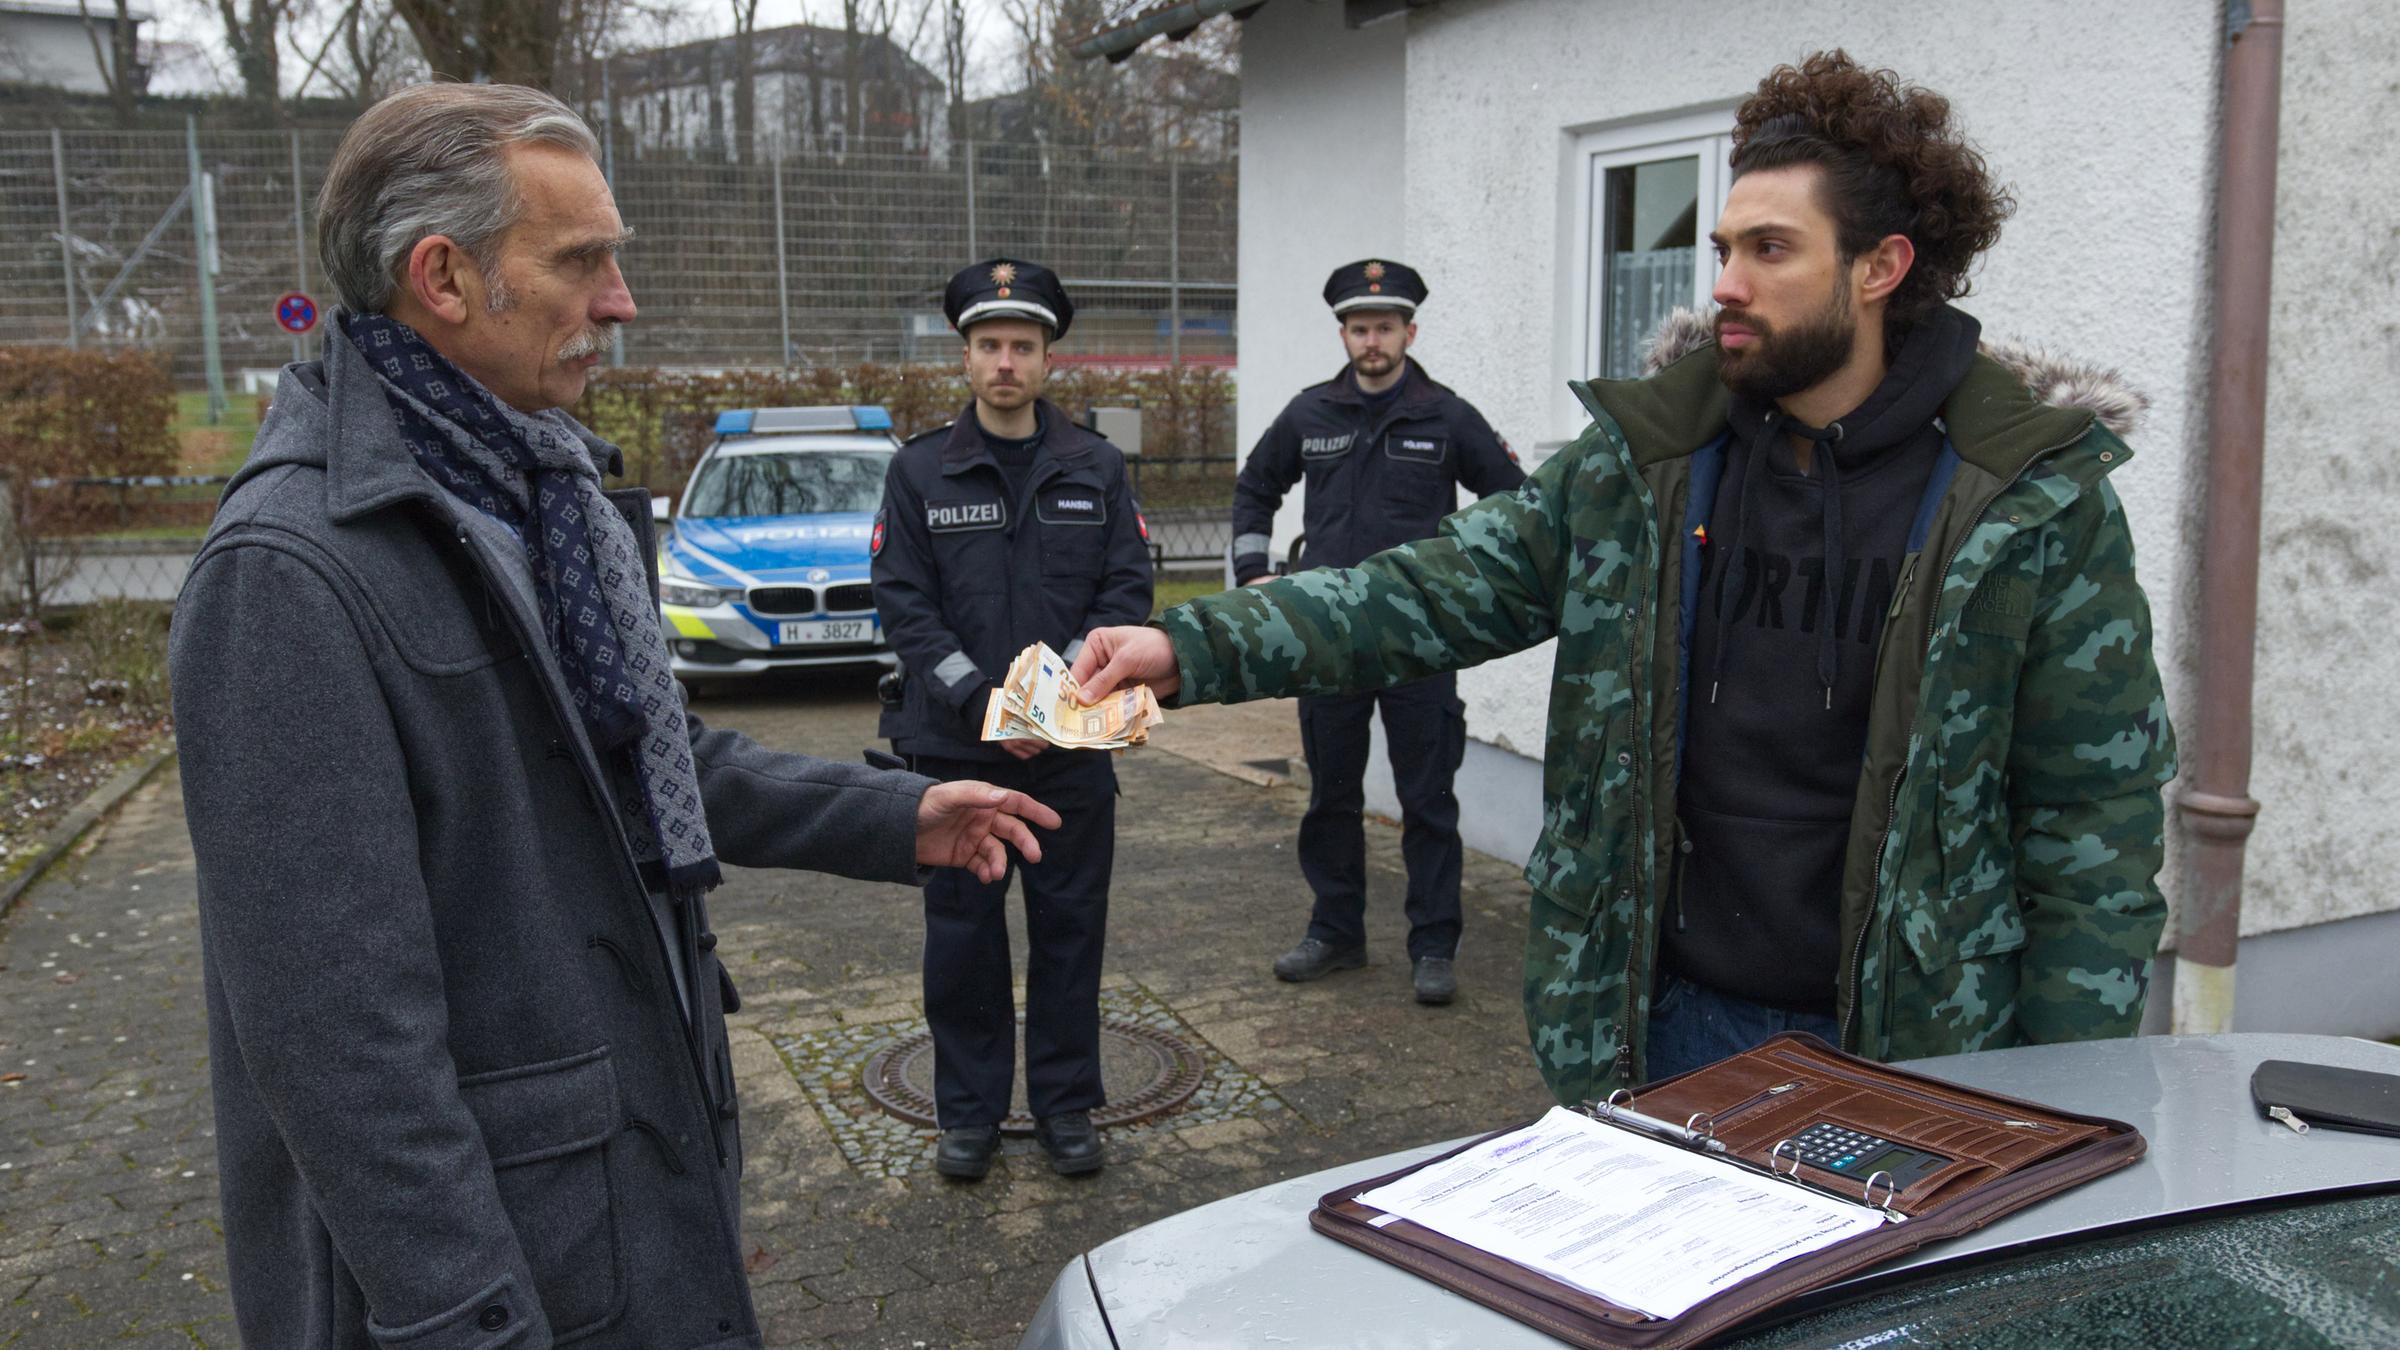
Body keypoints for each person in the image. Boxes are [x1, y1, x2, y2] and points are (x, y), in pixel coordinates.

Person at [1073, 52, 2176, 1105]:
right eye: (1724, 248)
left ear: (1880, 268)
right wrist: (1190, 647)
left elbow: (2095, 828)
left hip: (1915, 1049)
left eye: (1772, 252)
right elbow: (1436, 585)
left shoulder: (2026, 502)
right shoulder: (1651, 465)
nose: (1729, 285)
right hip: (1665, 1028)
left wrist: (2053, 1097)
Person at [170, 85, 1059, 1347]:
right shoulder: (290, 574)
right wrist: (471, 1325)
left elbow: (644, 760)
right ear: (443, 277)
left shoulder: (535, 491)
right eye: (583, 260)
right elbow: (343, 1056)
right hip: (501, 1277)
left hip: (617, 1203)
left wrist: (896, 810)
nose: (621, 301)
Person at [870, 259, 1154, 1180]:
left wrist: (1058, 701)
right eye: (988, 345)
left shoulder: (1096, 468)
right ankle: (970, 1115)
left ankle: (1068, 1106)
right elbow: (904, 603)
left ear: (1046, 359)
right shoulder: (919, 471)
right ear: (964, 356)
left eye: (1022, 346)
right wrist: (984, 703)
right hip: (953, 751)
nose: (1004, 362)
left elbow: (1126, 588)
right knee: (962, 942)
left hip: (1069, 749)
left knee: (1071, 934)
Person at [1230, 260, 1524, 1004]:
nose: (1372, 340)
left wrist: (1471, 586)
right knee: (1331, 795)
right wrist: (1255, 576)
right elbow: (1256, 487)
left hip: (1421, 639)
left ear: (1409, 332)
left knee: (1428, 800)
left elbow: (1515, 502)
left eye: (1385, 327)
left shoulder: (1446, 417)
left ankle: (1434, 946)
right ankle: (1336, 933)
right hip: (1327, 641)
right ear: (1344, 334)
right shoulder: (1310, 414)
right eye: (1360, 328)